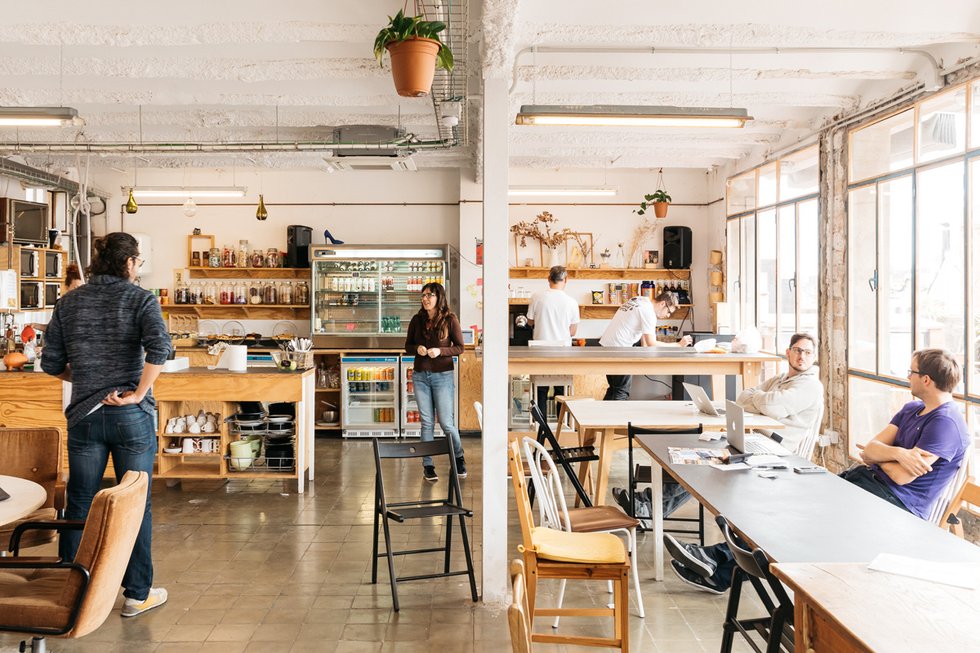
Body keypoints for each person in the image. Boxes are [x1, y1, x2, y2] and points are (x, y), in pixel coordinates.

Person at [667, 347, 968, 595]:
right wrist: (898, 453)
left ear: (926, 380)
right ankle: (719, 566)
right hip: (869, 483)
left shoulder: (946, 423)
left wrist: (880, 457)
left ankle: (717, 563)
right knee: (789, 504)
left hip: (898, 505)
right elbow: (868, 450)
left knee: (798, 516)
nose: (907, 377)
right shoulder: (911, 409)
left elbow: (901, 477)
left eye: (911, 372)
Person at [41, 233, 171, 617]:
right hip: (131, 418)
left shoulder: (70, 302)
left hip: (85, 416)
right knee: (135, 504)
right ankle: (136, 594)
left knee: (80, 502)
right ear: (129, 262)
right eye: (138, 261)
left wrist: (87, 383)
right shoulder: (140, 299)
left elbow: (50, 363)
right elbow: (160, 349)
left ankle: (75, 592)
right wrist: (136, 392)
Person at [651, 333, 824, 527]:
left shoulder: (810, 386)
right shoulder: (780, 379)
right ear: (788, 352)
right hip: (758, 440)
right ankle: (652, 505)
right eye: (798, 350)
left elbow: (773, 405)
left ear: (814, 357)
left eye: (808, 352)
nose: (802, 356)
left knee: (710, 461)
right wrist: (763, 400)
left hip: (778, 451)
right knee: (700, 453)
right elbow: (743, 397)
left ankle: (652, 504)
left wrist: (761, 399)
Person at [404, 282, 466, 483]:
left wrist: (441, 351)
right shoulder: (417, 319)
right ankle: (428, 465)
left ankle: (458, 457)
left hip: (442, 376)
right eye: (423, 295)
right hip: (420, 376)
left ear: (439, 297)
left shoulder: (450, 319)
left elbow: (459, 347)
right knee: (427, 423)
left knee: (447, 423)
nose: (425, 298)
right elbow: (408, 346)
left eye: (429, 295)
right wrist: (418, 349)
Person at [598, 291, 692, 401]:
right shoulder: (649, 312)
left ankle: (604, 417)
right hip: (619, 349)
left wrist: (644, 346)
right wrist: (678, 344)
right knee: (621, 391)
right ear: (662, 303)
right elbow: (652, 343)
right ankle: (616, 418)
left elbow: (644, 335)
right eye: (669, 312)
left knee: (615, 388)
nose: (667, 315)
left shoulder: (640, 300)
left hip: (608, 346)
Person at [527, 265, 580, 414]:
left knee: (540, 390)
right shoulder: (572, 302)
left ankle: (540, 428)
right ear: (566, 280)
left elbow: (529, 321)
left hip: (539, 352)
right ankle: (561, 428)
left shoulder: (537, 297)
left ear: (548, 279)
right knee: (561, 391)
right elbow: (573, 331)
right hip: (563, 354)